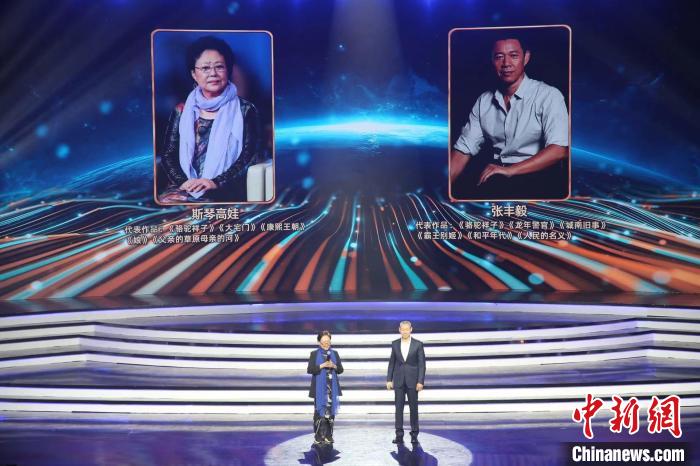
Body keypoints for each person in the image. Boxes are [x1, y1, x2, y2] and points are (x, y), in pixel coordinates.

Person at [450, 36, 569, 200]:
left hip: (539, 178)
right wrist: (443, 188)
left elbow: (559, 150)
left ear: (526, 58)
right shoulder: (484, 100)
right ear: (492, 60)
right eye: (499, 57)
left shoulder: (549, 95)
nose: (506, 63)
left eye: (514, 55)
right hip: (498, 175)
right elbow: (463, 150)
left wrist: (510, 170)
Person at [158, 36, 259, 203]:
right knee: (168, 207)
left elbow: (249, 156)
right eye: (205, 68)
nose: (213, 73)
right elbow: (169, 154)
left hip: (226, 188)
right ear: (194, 74)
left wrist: (215, 182)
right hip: (185, 186)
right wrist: (184, 182)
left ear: (228, 70)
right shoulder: (182, 110)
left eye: (219, 67)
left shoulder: (246, 110)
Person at [387, 321, 426, 445]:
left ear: (411, 329)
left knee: (413, 409)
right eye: (402, 329)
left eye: (407, 329)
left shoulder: (418, 344)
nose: (404, 331)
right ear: (399, 330)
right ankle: (399, 435)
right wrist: (389, 379)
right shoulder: (395, 344)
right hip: (398, 380)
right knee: (398, 409)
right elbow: (392, 363)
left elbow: (422, 365)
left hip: (413, 381)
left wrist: (420, 381)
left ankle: (414, 435)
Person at [307, 330, 344, 445]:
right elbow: (310, 370)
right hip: (319, 389)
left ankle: (328, 435)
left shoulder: (335, 353)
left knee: (330, 413)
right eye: (323, 342)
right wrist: (322, 365)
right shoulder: (314, 354)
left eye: (328, 342)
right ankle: (318, 436)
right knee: (319, 412)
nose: (326, 344)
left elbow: (341, 370)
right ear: (319, 342)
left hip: (331, 388)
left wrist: (334, 366)